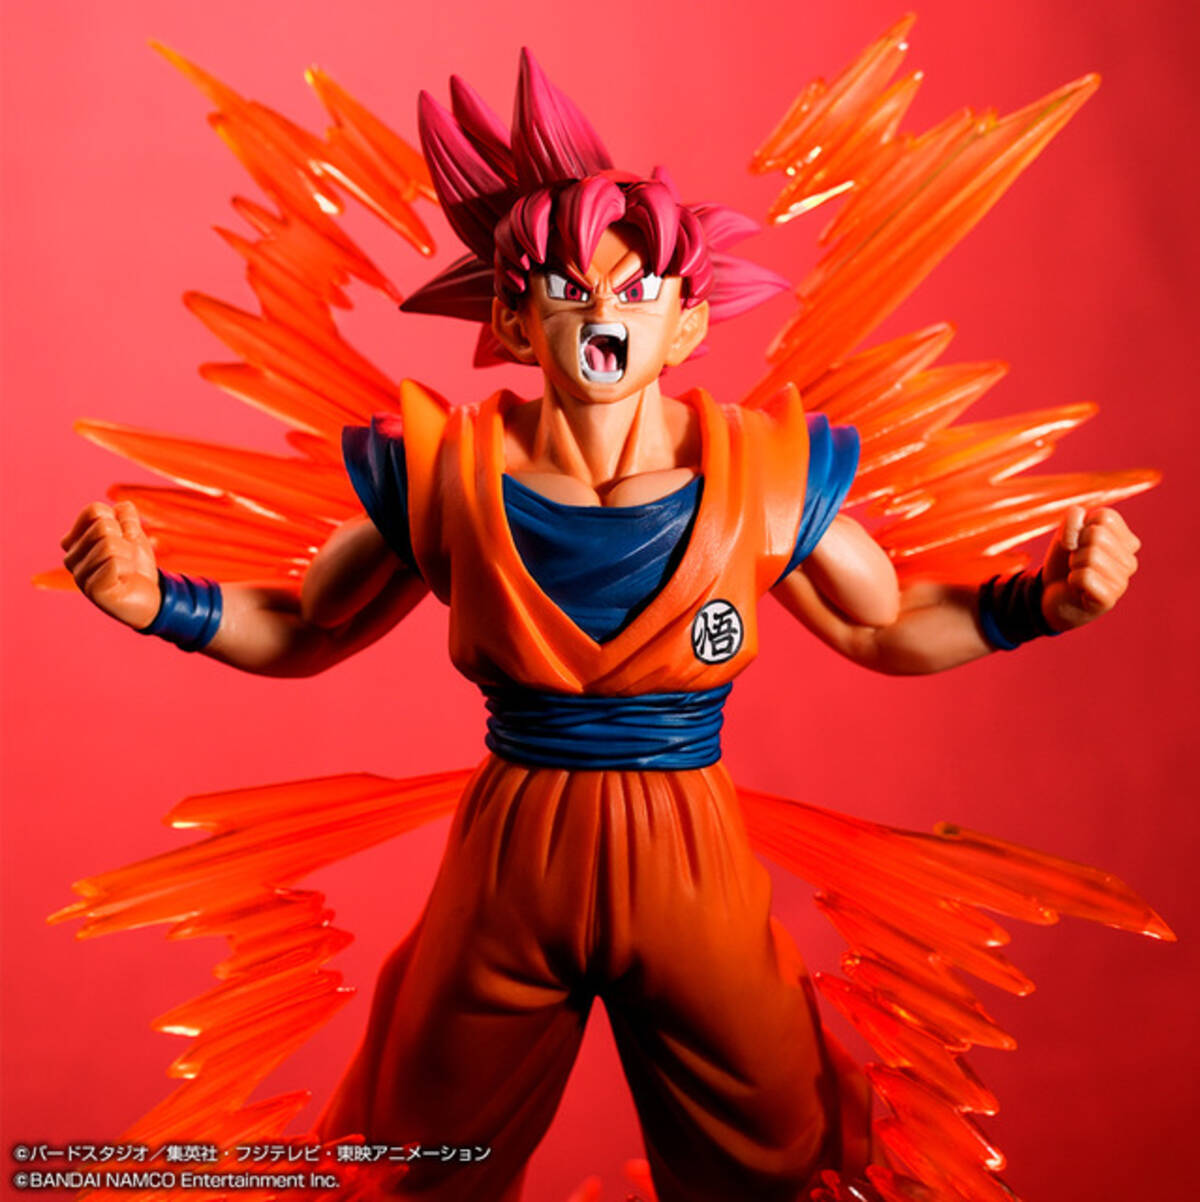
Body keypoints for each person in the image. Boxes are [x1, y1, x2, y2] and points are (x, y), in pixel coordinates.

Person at [58, 46, 1153, 1202]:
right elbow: (307, 625)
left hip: (693, 850)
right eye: (568, 290)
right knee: (424, 1153)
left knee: (772, 1155)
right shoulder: (447, 469)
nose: (603, 316)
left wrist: (1036, 604)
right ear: (512, 319)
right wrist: (161, 602)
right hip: (510, 854)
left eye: (635, 292)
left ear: (687, 325)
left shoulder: (761, 473)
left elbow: (884, 623)